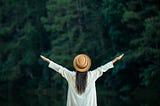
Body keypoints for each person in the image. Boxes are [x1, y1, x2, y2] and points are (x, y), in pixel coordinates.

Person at [40, 54, 124, 106]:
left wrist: (48, 61)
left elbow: (59, 68)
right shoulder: (92, 75)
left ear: (76, 65)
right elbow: (103, 68)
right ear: (86, 66)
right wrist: (116, 59)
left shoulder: (71, 75)